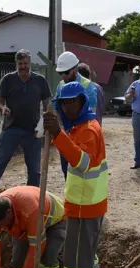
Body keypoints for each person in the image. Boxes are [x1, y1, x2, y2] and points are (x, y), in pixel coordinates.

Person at [43, 81, 107, 268]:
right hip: (86, 205)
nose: (68, 108)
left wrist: (58, 134)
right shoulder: (79, 127)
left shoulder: (89, 130)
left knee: (76, 263)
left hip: (85, 207)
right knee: (87, 256)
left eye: (73, 102)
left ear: (83, 102)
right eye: (64, 103)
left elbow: (81, 162)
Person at [0, 49, 52, 210]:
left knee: (34, 171)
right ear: (16, 64)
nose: (23, 67)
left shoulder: (40, 81)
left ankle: (32, 203)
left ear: (30, 63)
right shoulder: (8, 80)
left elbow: (48, 104)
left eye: (25, 63)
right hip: (11, 128)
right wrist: (2, 108)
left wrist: (43, 126)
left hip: (33, 132)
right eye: (20, 64)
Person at [53, 52, 98, 180]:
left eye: (66, 72)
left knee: (82, 169)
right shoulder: (61, 85)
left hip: (83, 136)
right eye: (60, 73)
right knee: (67, 170)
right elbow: (56, 108)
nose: (63, 76)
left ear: (75, 69)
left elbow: (91, 115)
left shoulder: (88, 86)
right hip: (67, 135)